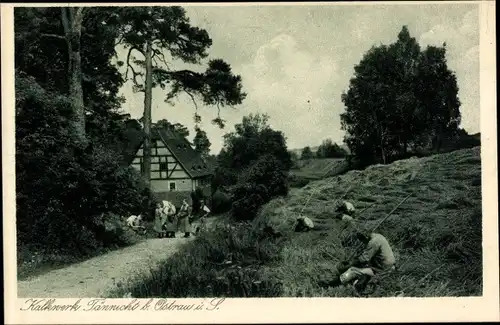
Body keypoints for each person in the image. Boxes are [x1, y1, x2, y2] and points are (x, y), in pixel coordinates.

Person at [339, 228, 396, 292]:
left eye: (363, 241)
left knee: (352, 270)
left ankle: (338, 283)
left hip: (382, 270)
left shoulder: (373, 242)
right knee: (362, 269)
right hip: (388, 267)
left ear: (365, 237)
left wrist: (349, 264)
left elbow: (364, 258)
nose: (363, 243)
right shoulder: (379, 236)